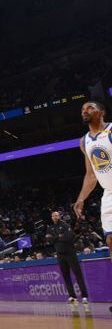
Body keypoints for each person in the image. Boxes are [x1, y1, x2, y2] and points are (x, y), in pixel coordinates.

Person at [73, 101, 112, 259]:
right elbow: (90, 174)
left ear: (102, 112)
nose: (85, 111)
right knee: (110, 240)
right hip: (109, 193)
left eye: (90, 108)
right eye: (83, 109)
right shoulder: (84, 141)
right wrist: (81, 198)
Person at [45, 210, 88, 303]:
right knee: (66, 276)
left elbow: (68, 238)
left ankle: (84, 296)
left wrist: (55, 237)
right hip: (60, 255)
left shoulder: (65, 225)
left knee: (77, 274)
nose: (55, 217)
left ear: (59, 216)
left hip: (70, 253)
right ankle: (72, 296)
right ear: (51, 218)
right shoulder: (50, 228)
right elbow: (49, 241)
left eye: (56, 215)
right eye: (53, 216)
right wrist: (59, 236)